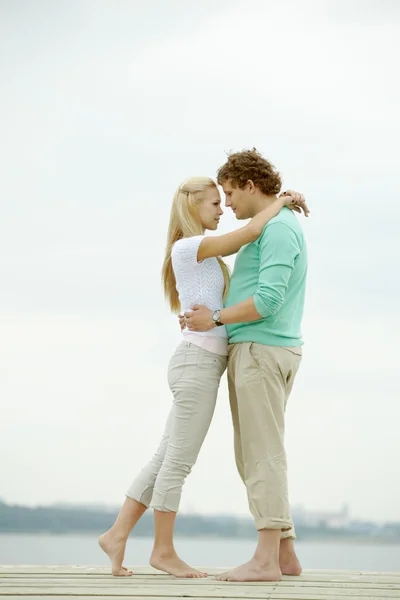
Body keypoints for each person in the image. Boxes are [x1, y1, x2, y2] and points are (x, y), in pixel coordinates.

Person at [98, 174, 308, 578]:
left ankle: (117, 535)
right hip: (196, 363)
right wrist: (281, 202)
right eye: (215, 202)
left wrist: (279, 202)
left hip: (202, 362)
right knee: (178, 460)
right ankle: (163, 551)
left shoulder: (203, 251)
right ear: (193, 206)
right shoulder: (189, 246)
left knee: (165, 457)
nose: (222, 208)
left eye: (224, 198)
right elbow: (249, 231)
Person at [181, 149, 308, 582]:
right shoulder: (274, 224)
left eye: (231, 193)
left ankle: (266, 560)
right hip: (263, 350)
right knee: (256, 453)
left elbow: (268, 300)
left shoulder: (276, 230)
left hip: (260, 349)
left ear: (251, 186)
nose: (228, 203)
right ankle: (285, 556)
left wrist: (214, 318)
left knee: (261, 455)